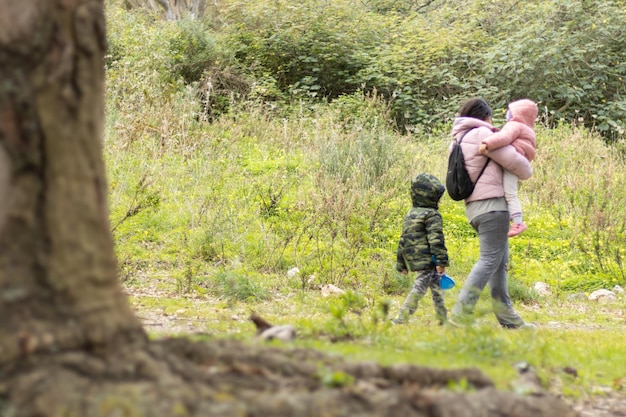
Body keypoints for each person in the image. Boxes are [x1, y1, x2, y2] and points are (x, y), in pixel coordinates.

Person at [448, 97, 536, 329]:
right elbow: (519, 166)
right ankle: (461, 315)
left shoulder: (458, 138)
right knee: (489, 261)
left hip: (475, 207)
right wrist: (529, 164)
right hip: (492, 206)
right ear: (484, 117)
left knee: (498, 264)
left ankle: (510, 321)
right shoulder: (481, 134)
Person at [392, 173, 449, 325]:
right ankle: (402, 318)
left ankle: (443, 318)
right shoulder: (432, 215)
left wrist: (401, 264)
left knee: (436, 289)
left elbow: (403, 240)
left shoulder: (410, 214)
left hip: (415, 258)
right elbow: (436, 239)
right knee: (420, 288)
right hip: (428, 259)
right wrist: (441, 261)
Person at [478, 99, 538, 237]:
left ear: (518, 113)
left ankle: (518, 222)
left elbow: (504, 137)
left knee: (510, 193)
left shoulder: (515, 125)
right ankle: (512, 214)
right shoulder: (528, 128)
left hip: (513, 158)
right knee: (508, 190)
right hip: (519, 160)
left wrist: (487, 143)